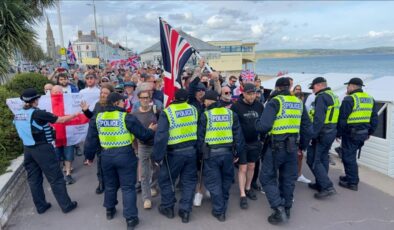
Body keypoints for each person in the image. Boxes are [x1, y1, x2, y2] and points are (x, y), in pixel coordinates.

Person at [84, 92, 157, 230]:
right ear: (116, 103)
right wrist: (151, 130)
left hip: (106, 156)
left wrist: (89, 156)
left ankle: (109, 210)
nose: (125, 103)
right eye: (122, 101)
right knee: (128, 187)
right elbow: (143, 135)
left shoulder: (98, 117)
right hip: (125, 155)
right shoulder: (126, 117)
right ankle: (130, 219)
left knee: (110, 184)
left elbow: (91, 139)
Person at [256, 78, 311, 224]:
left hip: (276, 147)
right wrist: (302, 147)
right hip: (293, 147)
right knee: (288, 179)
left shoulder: (275, 101)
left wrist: (256, 123)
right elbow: (307, 127)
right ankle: (287, 208)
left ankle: (278, 209)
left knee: (267, 178)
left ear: (277, 87)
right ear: (290, 87)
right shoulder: (298, 103)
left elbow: (264, 126)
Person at [13, 88, 78, 214]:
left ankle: (41, 206)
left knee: (34, 180)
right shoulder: (38, 113)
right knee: (56, 178)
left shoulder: (18, 113)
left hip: (28, 149)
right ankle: (66, 205)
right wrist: (75, 114)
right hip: (43, 149)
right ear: (34, 100)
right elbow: (61, 120)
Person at [197, 90, 245, 222]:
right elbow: (238, 136)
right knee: (225, 181)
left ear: (208, 101)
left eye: (205, 101)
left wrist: (200, 155)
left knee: (214, 182)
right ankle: (223, 205)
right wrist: (237, 153)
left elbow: (200, 139)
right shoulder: (230, 114)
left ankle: (219, 211)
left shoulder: (206, 115)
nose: (204, 103)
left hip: (211, 154)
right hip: (228, 153)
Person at [152, 89, 198, 223]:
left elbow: (161, 137)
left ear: (174, 98)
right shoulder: (193, 109)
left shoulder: (168, 112)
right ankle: (185, 212)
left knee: (166, 180)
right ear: (186, 99)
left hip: (174, 153)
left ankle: (168, 208)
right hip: (191, 151)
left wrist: (157, 157)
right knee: (189, 182)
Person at [337, 78, 378, 191]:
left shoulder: (349, 99)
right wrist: (370, 132)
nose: (347, 88)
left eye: (348, 86)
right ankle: (349, 176)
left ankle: (352, 182)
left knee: (348, 157)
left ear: (352, 86)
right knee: (351, 156)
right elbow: (374, 118)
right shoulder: (370, 99)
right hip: (363, 134)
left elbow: (342, 119)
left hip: (350, 134)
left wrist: (338, 133)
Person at [231, 83, 264, 210]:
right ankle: (242, 194)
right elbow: (233, 126)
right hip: (241, 143)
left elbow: (263, 122)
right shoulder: (236, 106)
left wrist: (262, 138)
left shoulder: (259, 106)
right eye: (249, 94)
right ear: (243, 93)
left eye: (254, 93)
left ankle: (248, 187)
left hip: (255, 142)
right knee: (242, 169)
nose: (252, 96)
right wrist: (234, 144)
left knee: (252, 166)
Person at [306, 77, 339, 199]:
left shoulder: (321, 97)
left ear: (319, 85)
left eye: (313, 87)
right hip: (331, 131)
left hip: (322, 133)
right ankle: (320, 183)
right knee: (323, 158)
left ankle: (327, 187)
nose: (313, 90)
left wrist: (313, 135)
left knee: (313, 160)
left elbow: (319, 119)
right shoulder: (333, 96)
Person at [81, 84, 115, 194]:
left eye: (106, 93)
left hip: (114, 139)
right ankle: (101, 183)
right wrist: (86, 111)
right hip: (100, 141)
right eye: (101, 93)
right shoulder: (98, 104)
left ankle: (113, 182)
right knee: (100, 164)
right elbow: (93, 118)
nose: (103, 95)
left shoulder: (115, 105)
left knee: (112, 164)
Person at [132, 90, 160, 210]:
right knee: (143, 173)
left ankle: (153, 186)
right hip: (142, 146)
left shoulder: (156, 110)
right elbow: (132, 132)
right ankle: (146, 198)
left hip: (156, 145)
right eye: (142, 98)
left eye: (147, 97)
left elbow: (163, 124)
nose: (145, 100)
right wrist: (135, 147)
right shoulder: (134, 114)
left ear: (150, 99)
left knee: (156, 168)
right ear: (139, 99)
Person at [292, 85, 311, 184]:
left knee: (299, 156)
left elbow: (305, 123)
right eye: (296, 90)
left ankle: (298, 174)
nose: (298, 92)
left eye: (300, 90)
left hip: (299, 135)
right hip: (290, 136)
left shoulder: (302, 106)